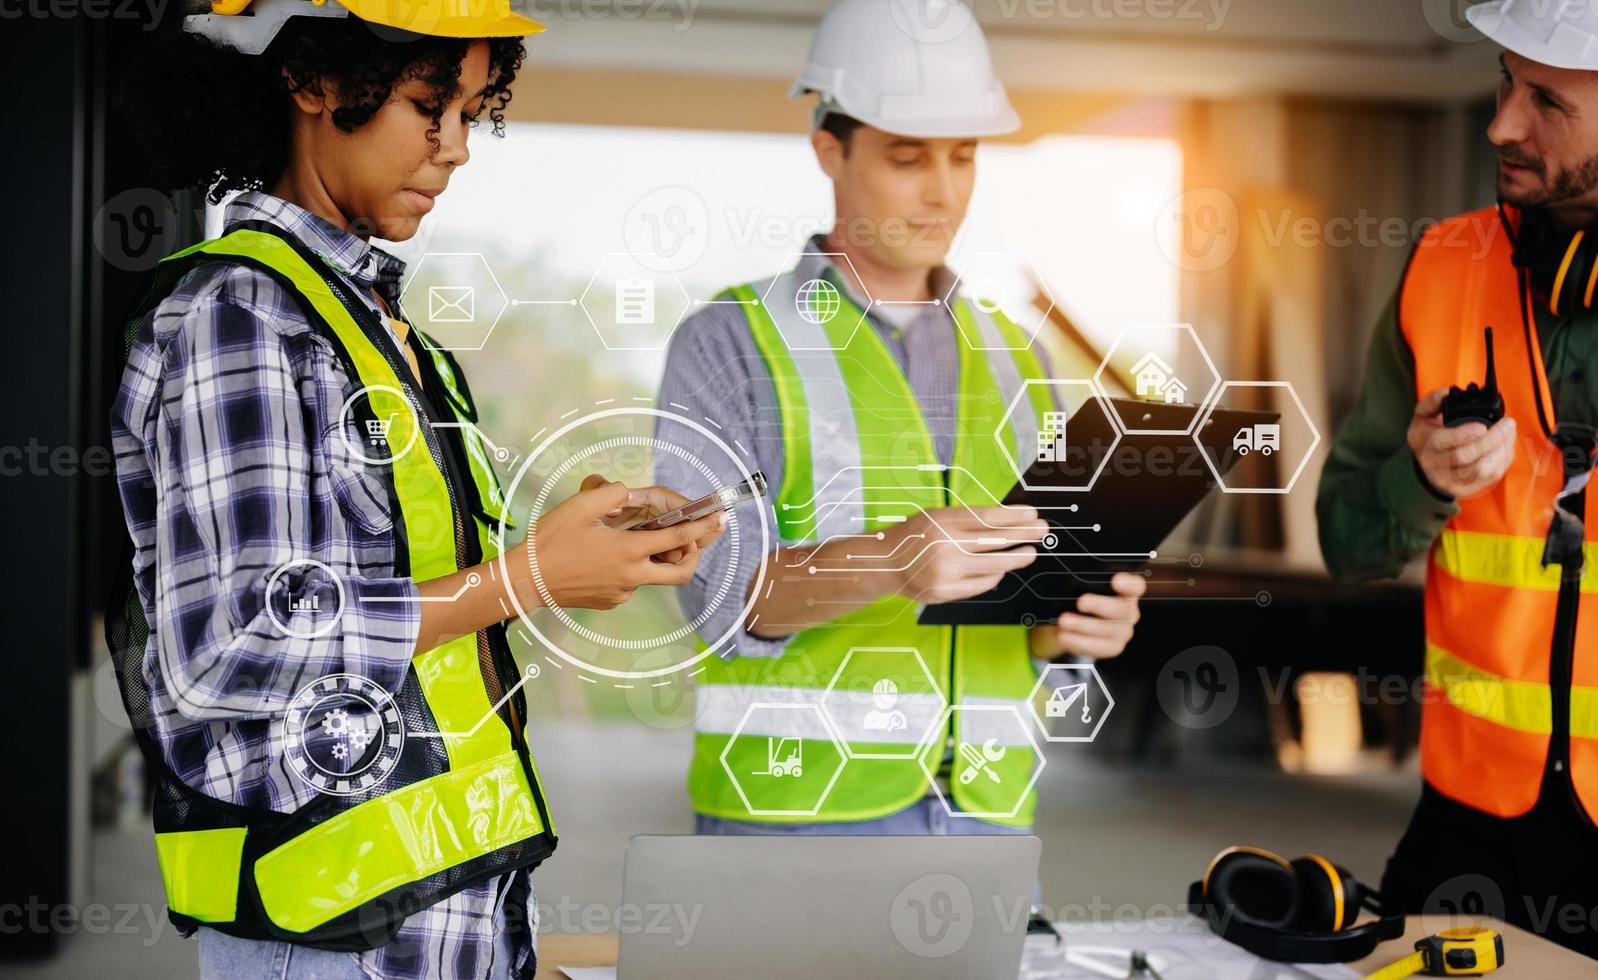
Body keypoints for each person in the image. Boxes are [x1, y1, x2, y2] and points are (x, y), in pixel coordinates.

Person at [109, 3, 720, 977]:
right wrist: (521, 578)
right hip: (327, 929)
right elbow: (229, 640)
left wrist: (568, 546)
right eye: (427, 105)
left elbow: (401, 576)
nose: (454, 148)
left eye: (471, 113)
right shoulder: (239, 321)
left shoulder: (378, 327)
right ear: (312, 82)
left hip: (441, 902)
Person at [655, 0, 1144, 841]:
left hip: (987, 810)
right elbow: (713, 598)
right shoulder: (732, 340)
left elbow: (1034, 603)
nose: (944, 189)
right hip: (791, 815)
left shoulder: (1019, 358)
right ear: (830, 151)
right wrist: (891, 561)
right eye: (908, 157)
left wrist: (1071, 628)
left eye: (963, 156)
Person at [1317, 0, 1598, 958]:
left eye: (1548, 102)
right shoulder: (1442, 266)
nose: (1501, 124)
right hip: (1468, 813)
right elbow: (1348, 542)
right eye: (1504, 84)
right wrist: (1419, 481)